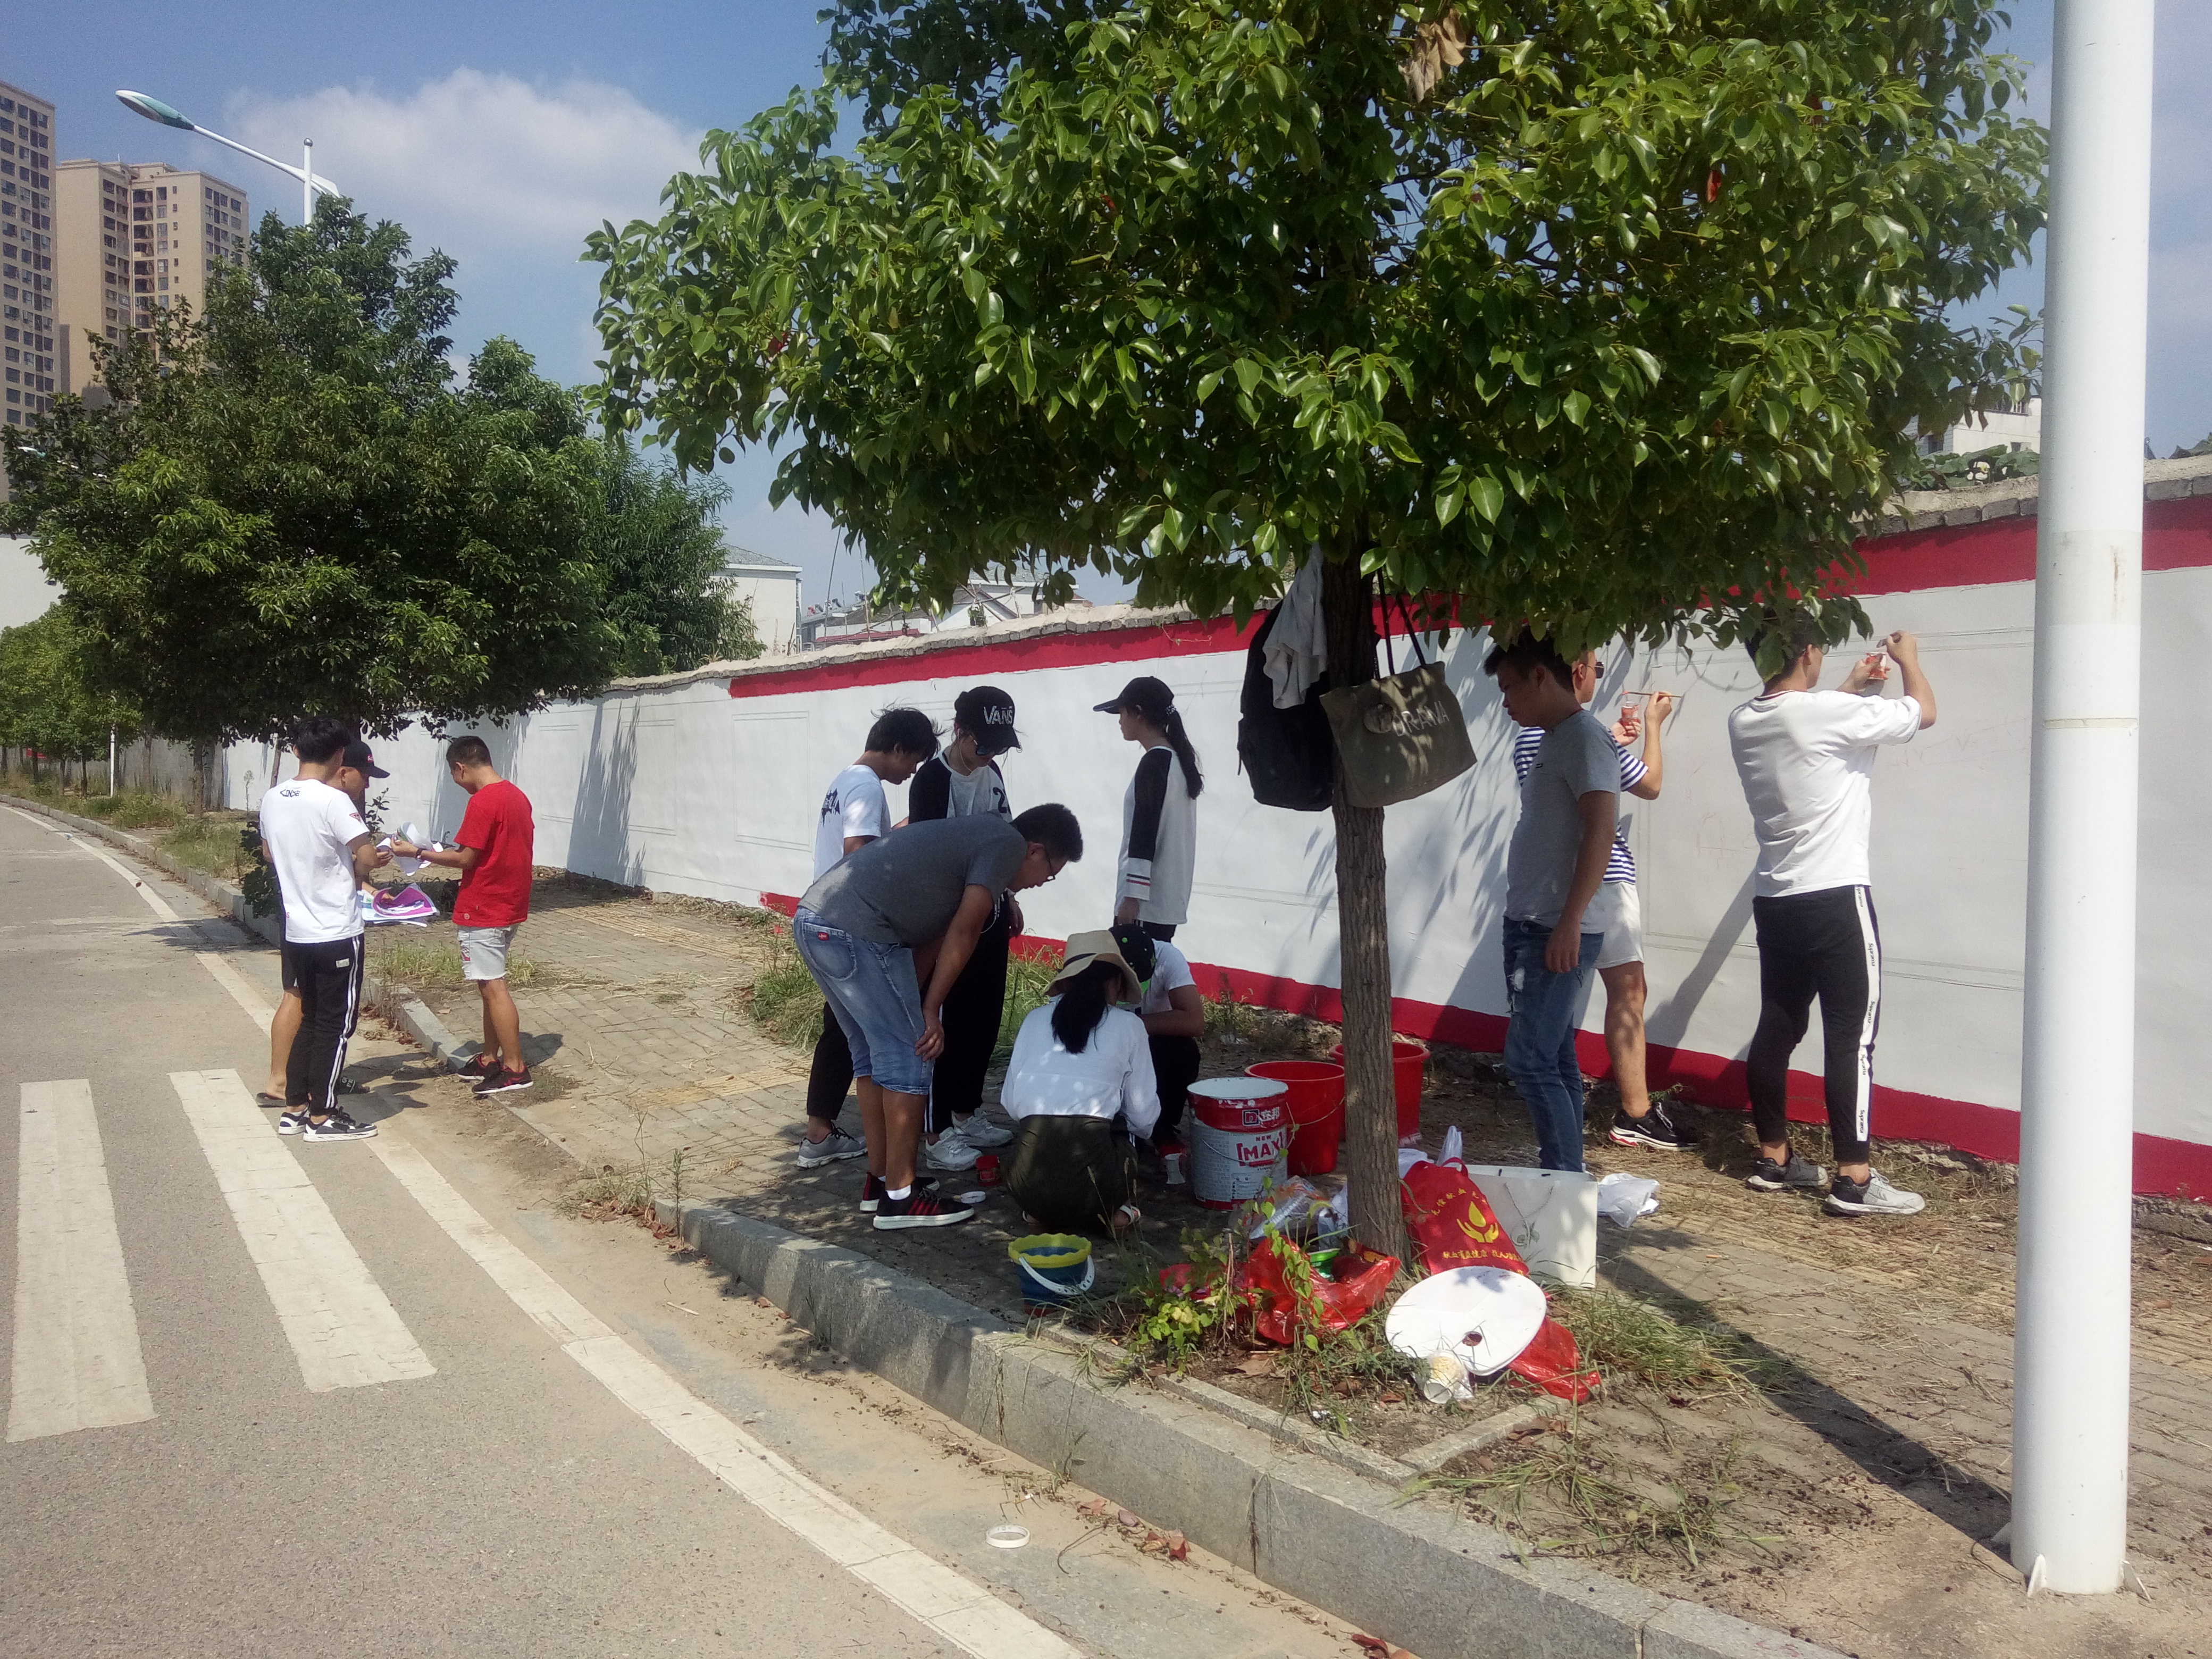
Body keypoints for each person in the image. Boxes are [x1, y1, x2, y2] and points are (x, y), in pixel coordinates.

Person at [1728, 617, 1937, 1218]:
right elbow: (1922, 713)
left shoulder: (1743, 720)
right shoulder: (1827, 713)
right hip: (1836, 896)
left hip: (1776, 898)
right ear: (1807, 652)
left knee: (1778, 1025)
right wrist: (1908, 658)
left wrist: (1848, 687)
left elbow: (1804, 721)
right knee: (1852, 1037)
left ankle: (1773, 1159)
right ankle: (1854, 1179)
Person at [793, 803, 1083, 1230]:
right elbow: (965, 931)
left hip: (817, 920)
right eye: (1050, 873)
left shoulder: (971, 846)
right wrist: (929, 1011)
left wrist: (918, 1004)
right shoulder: (1006, 845)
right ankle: (902, 1198)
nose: (1042, 883)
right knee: (913, 1052)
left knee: (873, 1054)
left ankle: (882, 1183)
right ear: (1035, 850)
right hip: (853, 928)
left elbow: (934, 937)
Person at [1510, 659, 1692, 1152]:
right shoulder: (1580, 737)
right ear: (1576, 670)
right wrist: (1654, 726)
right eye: (1596, 665)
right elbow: (1650, 785)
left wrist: (1611, 739)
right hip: (1603, 882)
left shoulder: (1538, 738)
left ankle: (1590, 1138)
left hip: (1564, 888)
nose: (1598, 675)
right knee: (1627, 993)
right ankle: (1635, 1113)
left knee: (1566, 1014)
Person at [1484, 631, 1620, 1173]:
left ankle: (1562, 1179)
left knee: (1529, 1060)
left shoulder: (1585, 737)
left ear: (1541, 676)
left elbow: (1601, 830)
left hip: (1554, 927)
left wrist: (1570, 921)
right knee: (1554, 1055)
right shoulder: (1553, 738)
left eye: (1509, 687)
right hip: (1530, 922)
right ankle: (1566, 1175)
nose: (1504, 701)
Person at [796, 709, 940, 1168]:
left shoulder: (845, 780)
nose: (913, 771)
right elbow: (858, 854)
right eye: (913, 760)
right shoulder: (866, 786)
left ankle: (829, 1136)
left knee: (847, 1031)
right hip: (850, 925)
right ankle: (886, 1166)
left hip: (825, 919)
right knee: (879, 1041)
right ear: (897, 748)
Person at [257, 716, 391, 1140]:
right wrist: (361, 866)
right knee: (335, 1026)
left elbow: (269, 854)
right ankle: (323, 1115)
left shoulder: (273, 798)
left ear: (296, 751)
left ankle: (295, 1108)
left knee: (311, 1019)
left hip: (297, 930)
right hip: (336, 930)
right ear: (339, 755)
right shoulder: (334, 801)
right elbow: (365, 856)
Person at [908, 686, 1023, 1174]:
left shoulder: (992, 775)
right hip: (949, 918)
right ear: (960, 732)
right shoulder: (932, 780)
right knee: (945, 1020)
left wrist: (1009, 895)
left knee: (983, 1016)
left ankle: (967, 1110)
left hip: (989, 910)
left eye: (999, 747)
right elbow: (928, 856)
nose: (990, 755)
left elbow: (1005, 837)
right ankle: (936, 1132)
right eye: (983, 745)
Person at [392, 735, 537, 1097]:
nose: (458, 783)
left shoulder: (483, 801)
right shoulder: (516, 796)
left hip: (484, 905)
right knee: (488, 984)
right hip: (510, 902)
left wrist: (418, 852)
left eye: (454, 775)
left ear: (460, 768)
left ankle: (515, 1068)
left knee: (493, 986)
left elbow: (465, 858)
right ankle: (490, 1057)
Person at [1000, 931, 1158, 1234]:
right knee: (1124, 1132)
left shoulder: (1034, 1019)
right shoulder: (1130, 1026)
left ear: (1066, 982)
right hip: (1099, 1186)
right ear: (1116, 983)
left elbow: (1011, 1104)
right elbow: (1143, 1118)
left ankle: (1041, 1213)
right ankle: (1114, 1213)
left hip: (1024, 1183)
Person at [1094, 675, 1202, 940]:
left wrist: (1132, 898)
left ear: (1138, 713)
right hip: (1168, 900)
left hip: (1146, 905)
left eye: (1122, 712)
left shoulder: (1154, 763)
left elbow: (1144, 832)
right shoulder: (1179, 762)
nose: (1119, 721)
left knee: (1132, 968)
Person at [1108, 921, 1204, 1157]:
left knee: (1184, 1052)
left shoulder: (1168, 957)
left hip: (1152, 1041)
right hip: (1107, 1044)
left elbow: (1195, 1021)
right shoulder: (1096, 960)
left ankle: (1163, 1126)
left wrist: (1131, 1025)